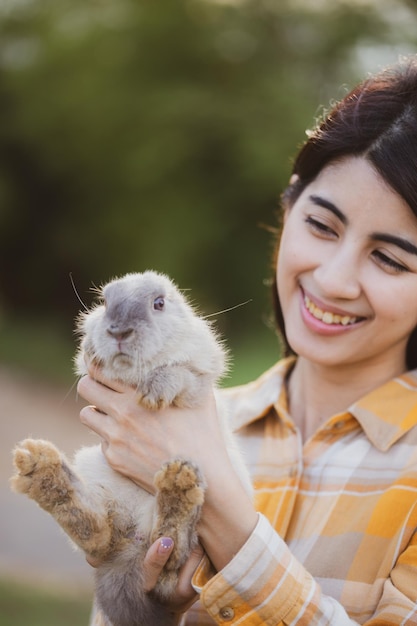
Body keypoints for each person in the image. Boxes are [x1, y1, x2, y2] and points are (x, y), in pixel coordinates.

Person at [77, 56, 417, 625]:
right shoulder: (181, 424)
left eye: (388, 258)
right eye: (321, 226)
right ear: (288, 208)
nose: (333, 280)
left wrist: (229, 523)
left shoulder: (186, 440)